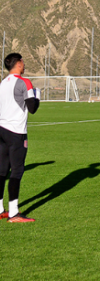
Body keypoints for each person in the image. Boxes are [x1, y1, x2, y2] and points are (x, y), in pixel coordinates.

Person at [0, 53, 40, 222]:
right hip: (16, 132)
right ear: (18, 63)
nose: (24, 64)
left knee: (2, 171)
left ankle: (1, 209)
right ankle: (14, 213)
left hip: (1, 130)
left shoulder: (3, 83)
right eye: (23, 61)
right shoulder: (24, 82)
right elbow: (32, 108)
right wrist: (37, 96)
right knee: (17, 170)